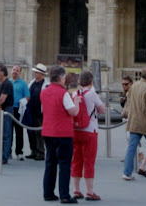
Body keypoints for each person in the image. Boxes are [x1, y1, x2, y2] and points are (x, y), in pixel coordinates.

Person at [40, 64, 82, 204]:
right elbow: (73, 112)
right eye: (64, 77)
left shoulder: (44, 91)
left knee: (50, 163)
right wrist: (76, 102)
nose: (65, 80)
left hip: (48, 131)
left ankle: (48, 192)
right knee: (64, 164)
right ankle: (64, 194)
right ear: (59, 78)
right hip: (63, 132)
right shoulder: (63, 93)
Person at [71, 70, 105, 201]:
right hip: (90, 130)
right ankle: (90, 192)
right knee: (89, 161)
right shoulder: (92, 94)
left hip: (76, 130)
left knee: (76, 160)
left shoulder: (75, 93)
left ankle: (76, 190)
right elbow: (101, 109)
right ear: (91, 81)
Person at [122, 65, 146, 181]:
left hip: (134, 121)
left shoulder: (133, 86)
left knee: (131, 148)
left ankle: (126, 173)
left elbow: (129, 103)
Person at [26, 62, 48, 161]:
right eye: (35, 72)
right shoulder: (32, 83)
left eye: (37, 73)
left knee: (39, 132)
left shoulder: (46, 85)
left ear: (41, 74)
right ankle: (33, 150)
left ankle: (40, 151)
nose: (35, 74)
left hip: (40, 111)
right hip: (31, 110)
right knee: (30, 131)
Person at [11, 64, 30, 160]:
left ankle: (19, 152)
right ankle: (8, 151)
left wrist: (23, 102)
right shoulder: (8, 82)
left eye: (17, 70)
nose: (15, 71)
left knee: (19, 132)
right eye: (14, 69)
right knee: (8, 132)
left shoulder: (23, 84)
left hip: (18, 109)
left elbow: (27, 96)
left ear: (20, 72)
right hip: (9, 109)